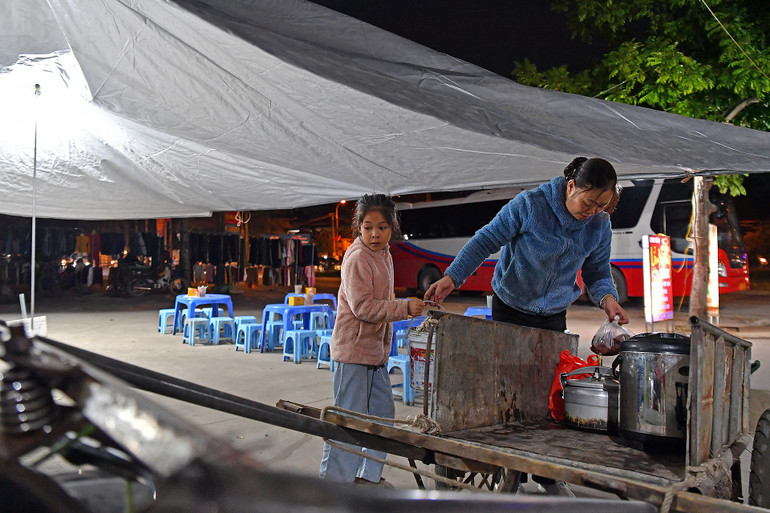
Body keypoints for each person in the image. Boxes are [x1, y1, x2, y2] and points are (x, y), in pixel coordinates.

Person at [424, 156, 629, 496]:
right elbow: (485, 240)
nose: (592, 211)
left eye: (602, 206)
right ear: (571, 186)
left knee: (549, 393)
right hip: (510, 305)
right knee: (505, 389)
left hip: (552, 313)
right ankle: (509, 467)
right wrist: (452, 277)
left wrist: (608, 300)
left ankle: (547, 473)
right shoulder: (530, 205)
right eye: (589, 202)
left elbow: (597, 271)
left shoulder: (598, 226)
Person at [319, 194, 426, 485]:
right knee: (348, 425)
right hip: (352, 354)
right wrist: (404, 307)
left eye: (381, 227)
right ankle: (333, 489)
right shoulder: (356, 259)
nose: (374, 234)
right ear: (358, 227)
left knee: (381, 417)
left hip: (376, 356)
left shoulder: (385, 255)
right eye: (367, 227)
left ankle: (367, 479)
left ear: (392, 228)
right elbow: (364, 308)